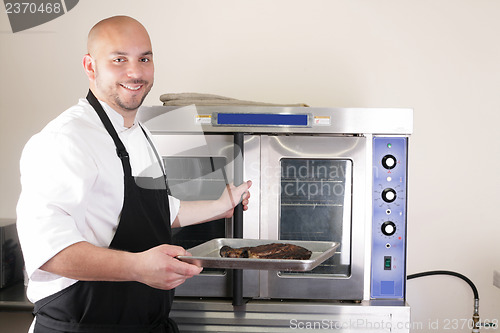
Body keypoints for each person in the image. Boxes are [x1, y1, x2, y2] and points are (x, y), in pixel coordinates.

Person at [16, 15, 251, 333]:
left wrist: (222, 204)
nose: (135, 72)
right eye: (118, 59)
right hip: (82, 327)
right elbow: (48, 251)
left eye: (144, 58)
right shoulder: (64, 139)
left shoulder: (142, 134)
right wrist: (139, 267)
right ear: (90, 66)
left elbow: (153, 211)